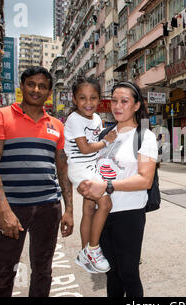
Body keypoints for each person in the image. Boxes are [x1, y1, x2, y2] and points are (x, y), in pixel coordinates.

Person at [0, 66, 74, 297]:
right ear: (21, 87)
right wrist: (4, 211)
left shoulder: (57, 125)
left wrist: (69, 209)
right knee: (3, 272)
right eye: (31, 84)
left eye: (42, 86)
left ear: (49, 92)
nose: (36, 89)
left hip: (48, 208)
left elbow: (62, 169)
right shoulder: (0, 116)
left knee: (43, 270)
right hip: (12, 208)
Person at [77, 81, 158, 297]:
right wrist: (86, 185)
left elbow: (145, 180)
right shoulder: (105, 135)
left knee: (129, 273)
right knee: (111, 275)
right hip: (101, 214)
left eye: (124, 101)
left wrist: (107, 186)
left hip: (129, 214)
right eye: (114, 100)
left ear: (136, 105)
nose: (117, 106)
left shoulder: (144, 136)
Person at [64, 76, 117, 274]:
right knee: (105, 203)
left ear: (98, 99)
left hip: (92, 166)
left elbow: (97, 136)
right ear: (75, 100)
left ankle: (85, 253)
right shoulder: (74, 119)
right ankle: (93, 249)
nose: (88, 103)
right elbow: (85, 147)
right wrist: (107, 142)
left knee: (88, 209)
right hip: (79, 168)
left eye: (93, 98)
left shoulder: (95, 118)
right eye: (83, 98)